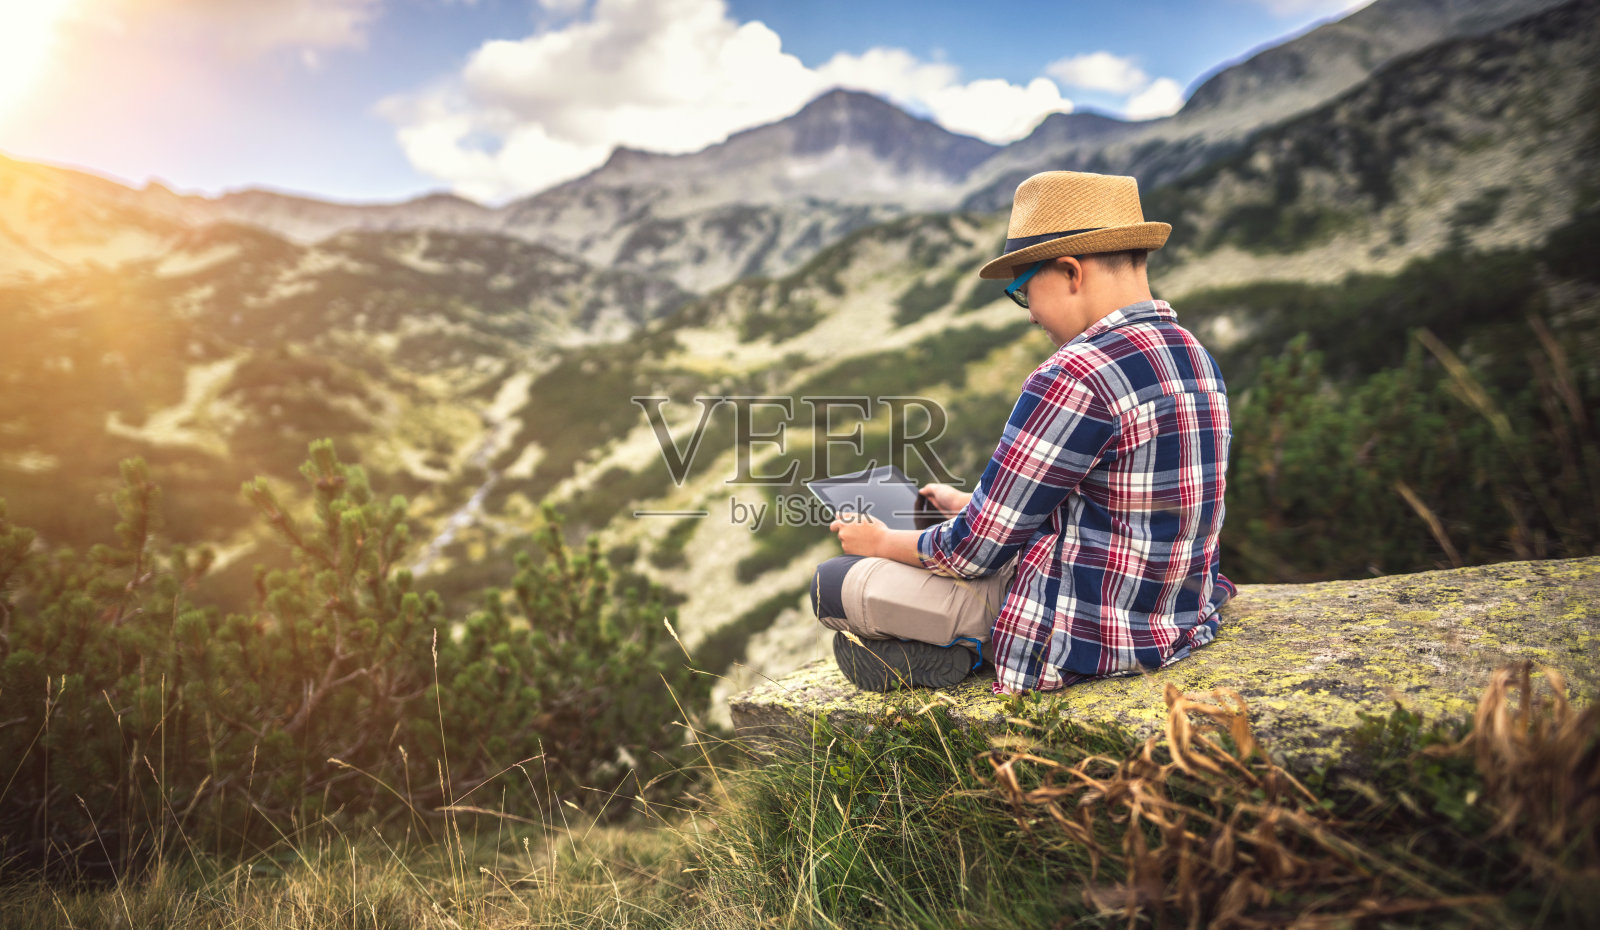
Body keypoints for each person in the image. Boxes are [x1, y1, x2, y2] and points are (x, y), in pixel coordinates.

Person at [810, 169, 1235, 694]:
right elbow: (1117, 506)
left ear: (1069, 272)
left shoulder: (1075, 373)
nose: (1031, 314)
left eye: (1023, 290)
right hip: (1172, 610)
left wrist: (878, 540)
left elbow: (969, 554)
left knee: (832, 586)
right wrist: (969, 502)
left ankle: (976, 647)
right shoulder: (1193, 354)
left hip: (1086, 627)